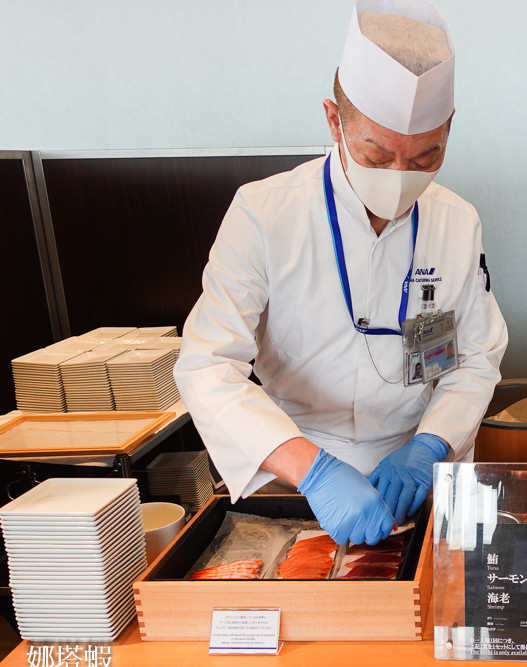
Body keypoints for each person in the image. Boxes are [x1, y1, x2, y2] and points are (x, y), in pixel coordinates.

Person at [174, 0, 508, 546]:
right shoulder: (264, 214)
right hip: (296, 469)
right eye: (377, 156)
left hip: (422, 471)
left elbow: (473, 358)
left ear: (449, 130)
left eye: (425, 158)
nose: (401, 177)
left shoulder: (457, 224)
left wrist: (430, 447)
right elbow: (207, 366)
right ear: (334, 120)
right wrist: (315, 472)